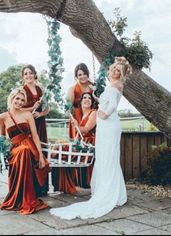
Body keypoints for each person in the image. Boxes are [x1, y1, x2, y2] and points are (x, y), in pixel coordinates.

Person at [50, 56, 132, 219]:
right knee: (104, 157)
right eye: (114, 68)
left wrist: (105, 113)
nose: (116, 71)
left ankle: (111, 193)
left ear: (122, 73)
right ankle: (108, 190)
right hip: (104, 125)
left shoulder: (118, 84)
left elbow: (113, 104)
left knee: (109, 158)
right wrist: (96, 99)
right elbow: (106, 100)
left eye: (119, 70)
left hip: (109, 124)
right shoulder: (110, 85)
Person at [0, 89, 50, 215]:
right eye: (17, 99)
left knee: (25, 150)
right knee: (22, 151)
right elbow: (3, 139)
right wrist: (3, 154)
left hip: (30, 147)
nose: (20, 102)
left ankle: (27, 198)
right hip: (15, 148)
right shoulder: (3, 117)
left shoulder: (27, 115)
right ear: (11, 98)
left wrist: (42, 157)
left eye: (22, 100)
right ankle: (20, 198)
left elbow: (35, 136)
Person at [53, 63, 96, 193]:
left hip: (88, 122)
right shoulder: (73, 88)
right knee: (69, 146)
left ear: (88, 73)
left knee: (76, 147)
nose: (82, 77)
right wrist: (74, 120)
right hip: (77, 117)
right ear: (76, 76)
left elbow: (98, 102)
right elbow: (68, 106)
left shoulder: (93, 87)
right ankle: (73, 179)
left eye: (84, 74)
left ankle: (87, 180)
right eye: (79, 75)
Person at [21, 64, 49, 196]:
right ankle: (32, 187)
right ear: (23, 77)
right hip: (28, 124)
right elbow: (18, 109)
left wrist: (40, 114)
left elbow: (47, 108)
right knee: (33, 152)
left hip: (40, 123)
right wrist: (32, 107)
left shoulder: (40, 89)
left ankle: (42, 187)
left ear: (35, 74)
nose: (28, 76)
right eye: (25, 74)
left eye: (30, 73)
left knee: (42, 150)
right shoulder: (22, 91)